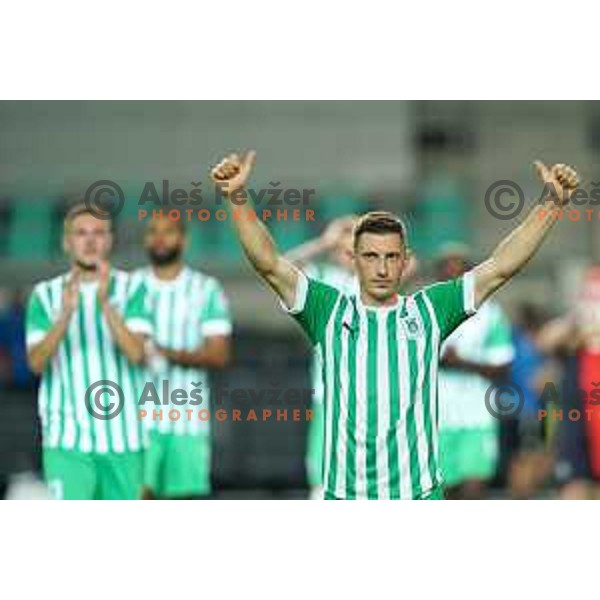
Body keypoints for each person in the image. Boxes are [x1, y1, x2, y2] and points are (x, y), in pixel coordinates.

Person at [210, 150, 578, 500]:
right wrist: (237, 198)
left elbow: (500, 266)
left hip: (416, 493)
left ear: (406, 263)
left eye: (391, 257)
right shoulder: (328, 308)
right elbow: (270, 264)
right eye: (370, 257)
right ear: (353, 260)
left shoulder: (429, 309)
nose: (382, 268)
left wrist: (551, 204)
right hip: (346, 493)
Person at [25, 203, 153, 500]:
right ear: (66, 242)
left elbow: (137, 354)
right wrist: (65, 315)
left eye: (99, 233)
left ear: (109, 240)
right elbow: (36, 362)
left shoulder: (133, 288)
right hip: (67, 440)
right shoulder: (44, 295)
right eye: (81, 233)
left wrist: (106, 305)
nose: (91, 240)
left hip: (125, 440)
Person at [136, 216, 232, 499]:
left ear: (184, 240)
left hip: (187, 422)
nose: (160, 238)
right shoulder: (129, 287)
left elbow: (219, 354)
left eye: (168, 232)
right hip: (136, 423)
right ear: (145, 239)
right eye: (153, 231)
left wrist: (164, 352)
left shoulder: (205, 289)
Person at [436, 244, 514, 499]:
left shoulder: (491, 314)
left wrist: (461, 363)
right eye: (446, 270)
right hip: (436, 418)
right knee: (440, 493)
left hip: (477, 417)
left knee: (473, 492)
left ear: (471, 273)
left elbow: (503, 366)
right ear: (438, 274)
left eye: (459, 268)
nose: (453, 275)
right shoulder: (426, 310)